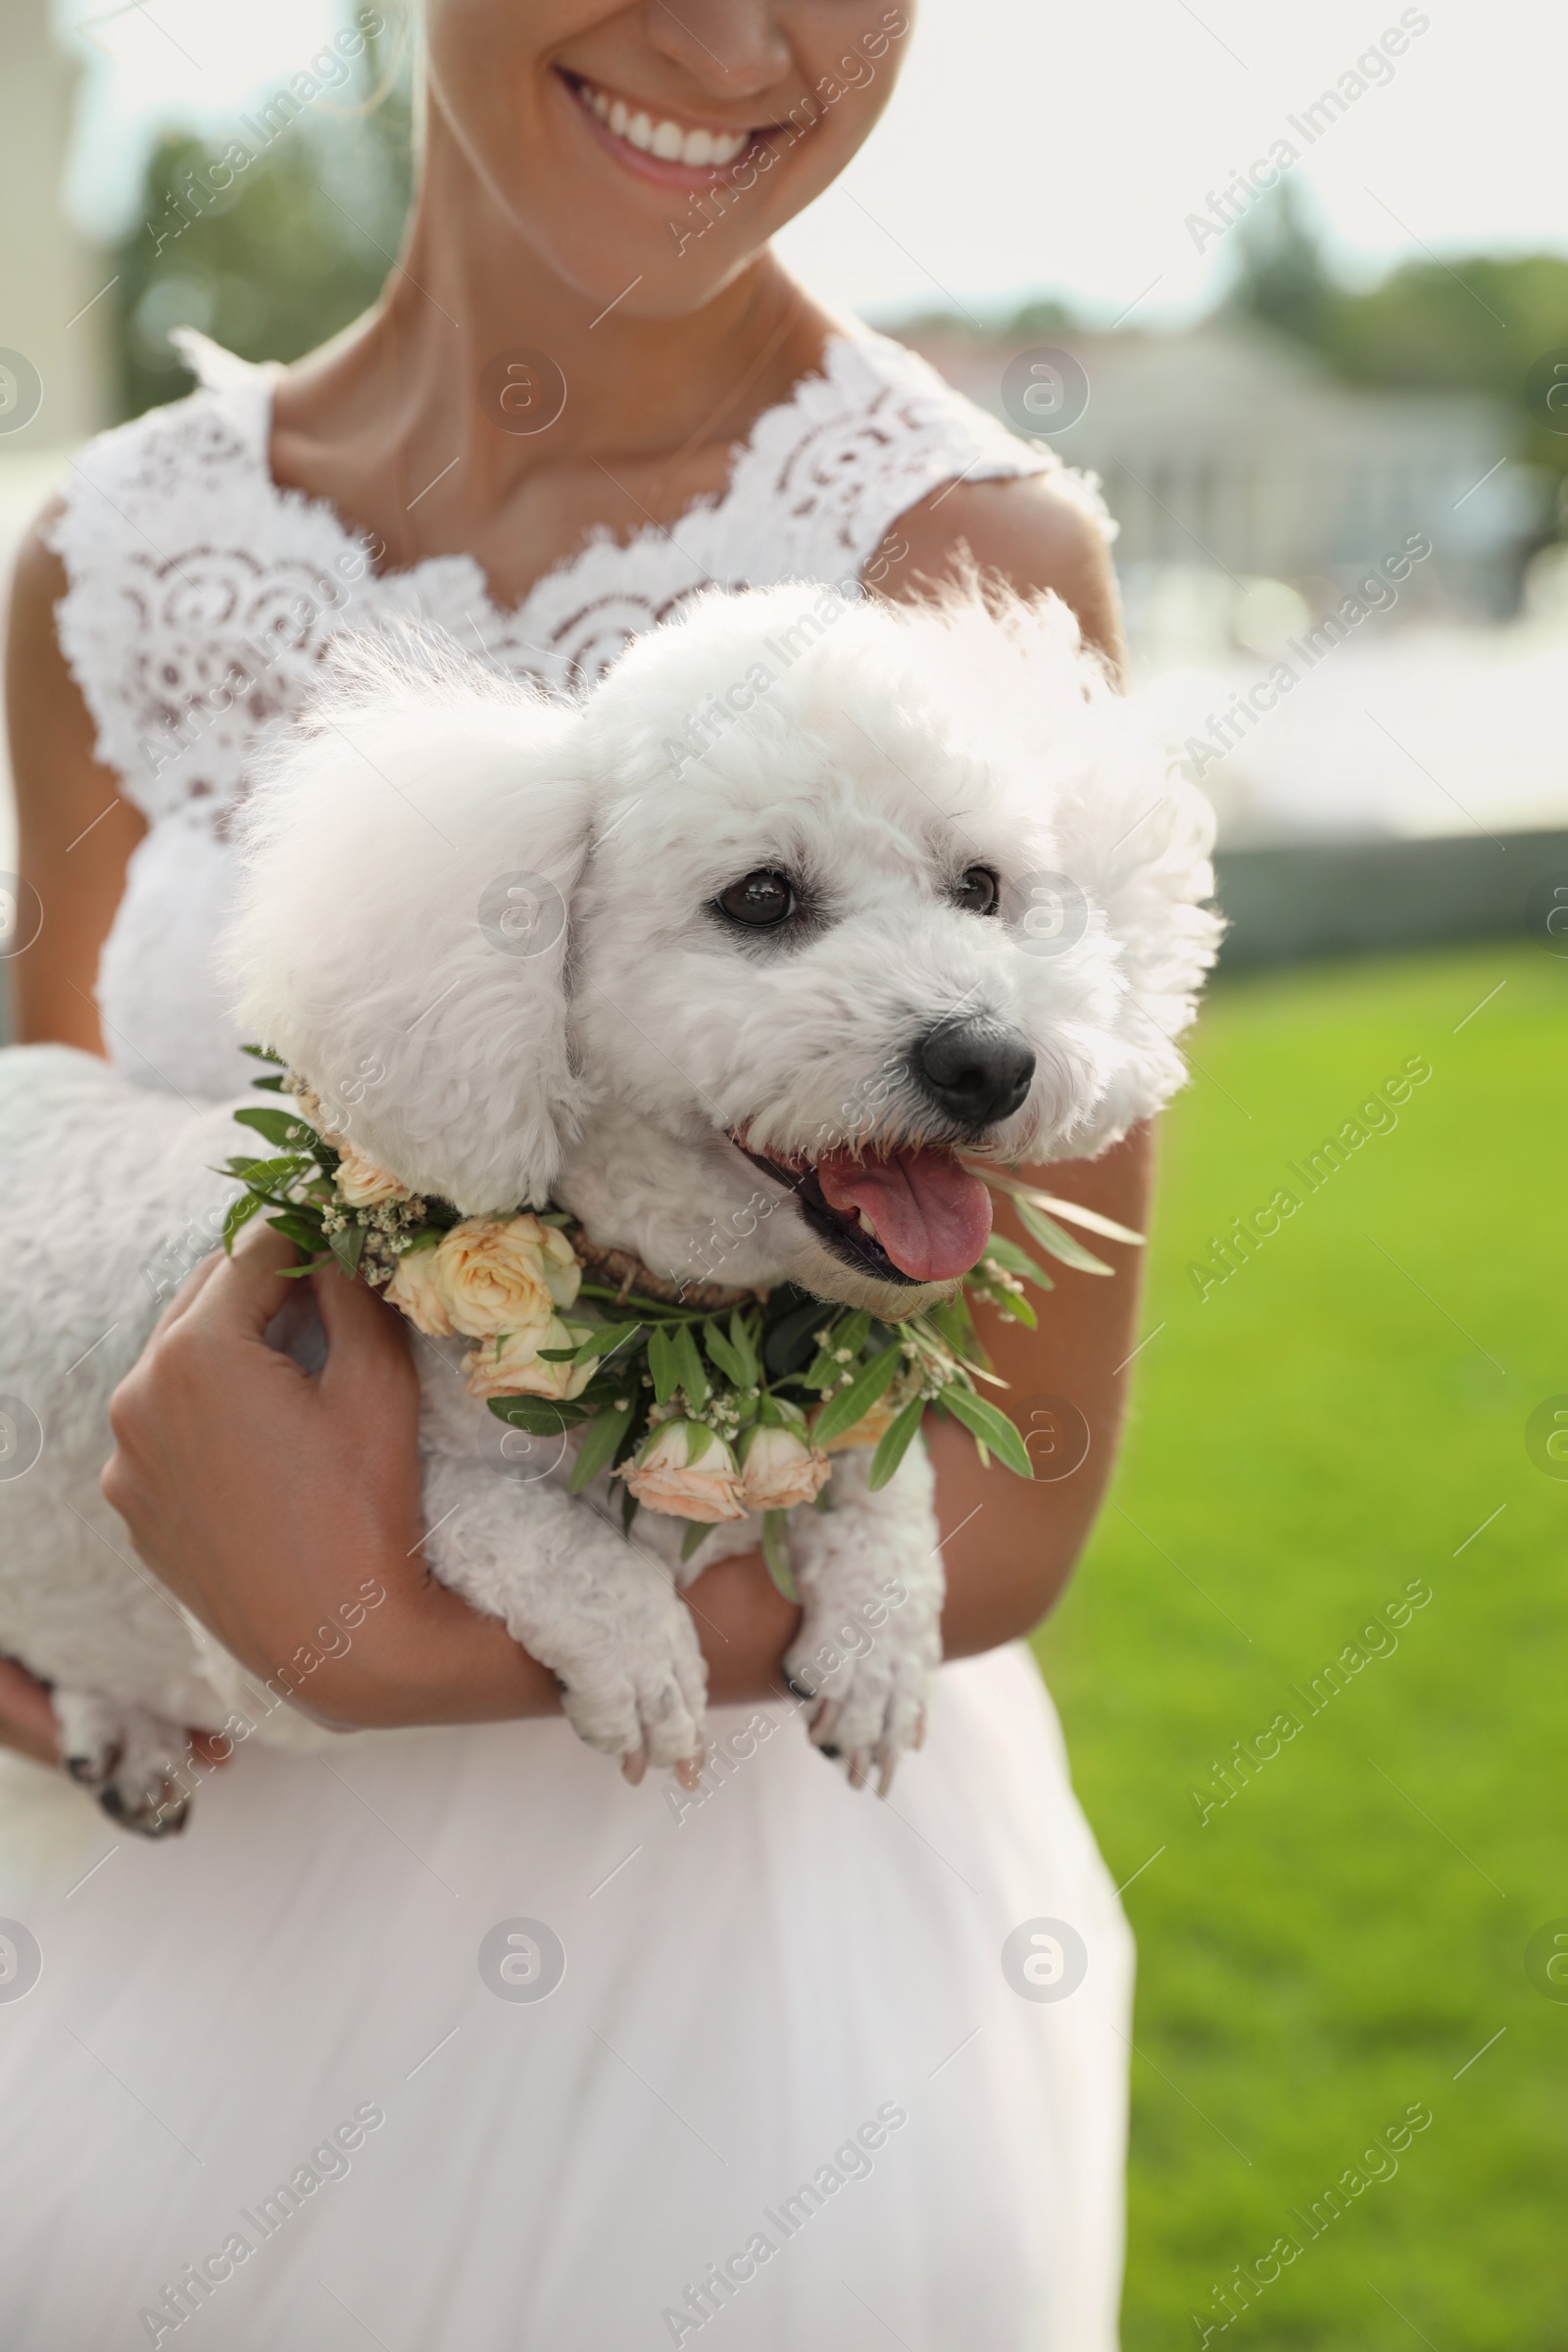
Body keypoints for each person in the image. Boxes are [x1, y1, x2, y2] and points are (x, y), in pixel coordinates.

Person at [0, 4, 1152, 2343]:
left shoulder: (971, 565)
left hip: (745, 1967)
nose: (733, 41)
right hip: (139, 1876)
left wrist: (364, 1640)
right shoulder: (96, 563)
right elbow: (30, 1167)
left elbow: (1011, 1486)